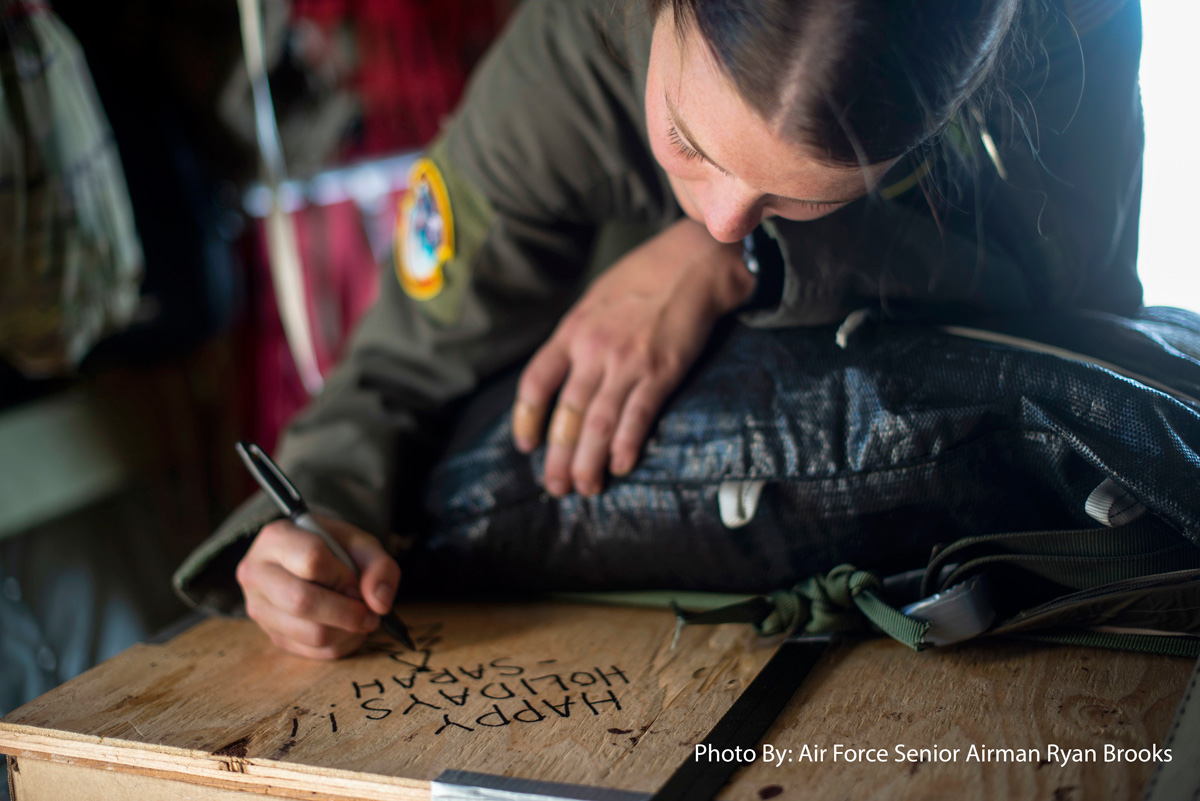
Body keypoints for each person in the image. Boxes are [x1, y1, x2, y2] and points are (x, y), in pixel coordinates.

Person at [174, 0, 1144, 658]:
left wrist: (741, 263)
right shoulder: (571, 64)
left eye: (795, 199)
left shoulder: (1070, 31)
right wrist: (309, 525)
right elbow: (395, 368)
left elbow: (1079, 319)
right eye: (688, 142)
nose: (723, 211)